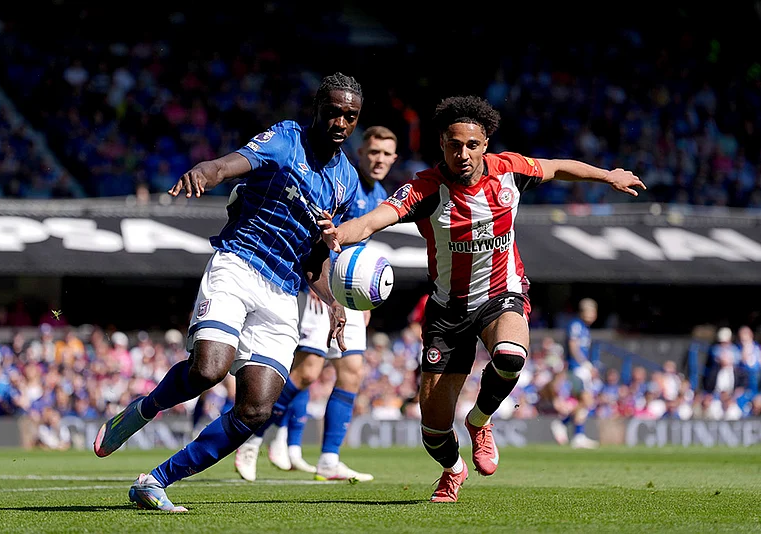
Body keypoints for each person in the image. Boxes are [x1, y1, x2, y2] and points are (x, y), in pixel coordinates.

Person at [320, 95, 645, 502]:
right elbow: (372, 220)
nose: (464, 154)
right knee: (434, 430)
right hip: (447, 310)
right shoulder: (425, 188)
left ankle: (479, 420)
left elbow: (558, 167)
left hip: (501, 293)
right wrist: (340, 233)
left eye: (472, 145)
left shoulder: (509, 170)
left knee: (511, 356)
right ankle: (453, 469)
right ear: (442, 144)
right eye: (455, 145)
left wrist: (608, 175)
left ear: (485, 143)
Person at [93, 73, 364, 512]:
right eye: (333, 112)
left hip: (283, 294)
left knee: (256, 410)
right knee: (208, 371)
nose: (340, 122)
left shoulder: (346, 182)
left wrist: (333, 301)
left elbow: (315, 259)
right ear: (317, 109)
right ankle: (143, 410)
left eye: (349, 116)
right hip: (239, 263)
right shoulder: (286, 139)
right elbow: (226, 165)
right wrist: (205, 171)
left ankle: (156, 481)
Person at [235, 125, 399, 482]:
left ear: (394, 159)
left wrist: (363, 302)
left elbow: (362, 254)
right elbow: (318, 232)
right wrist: (319, 284)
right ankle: (252, 438)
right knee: (307, 371)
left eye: (386, 154)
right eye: (373, 152)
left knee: (352, 373)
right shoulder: (346, 183)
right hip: (322, 288)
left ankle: (328, 459)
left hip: (350, 294)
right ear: (361, 154)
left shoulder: (382, 195)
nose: (379, 160)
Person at [550, 298, 600, 448]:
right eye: (590, 311)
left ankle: (576, 434)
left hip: (581, 368)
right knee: (586, 400)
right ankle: (564, 425)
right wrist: (585, 364)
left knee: (583, 402)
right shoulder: (576, 325)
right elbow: (573, 346)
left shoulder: (584, 328)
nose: (592, 315)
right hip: (576, 368)